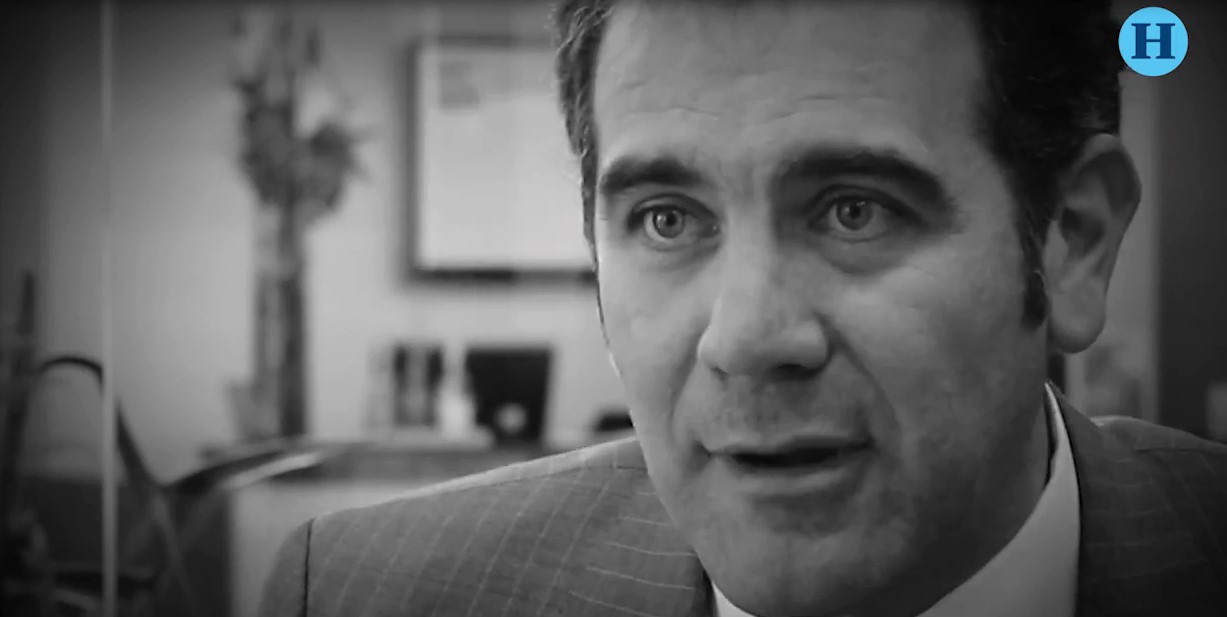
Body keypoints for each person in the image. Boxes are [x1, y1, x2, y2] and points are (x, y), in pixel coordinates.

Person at [258, 1, 1227, 615]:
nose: (747, 337)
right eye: (668, 219)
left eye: (854, 210)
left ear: (1070, 240)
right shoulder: (364, 593)